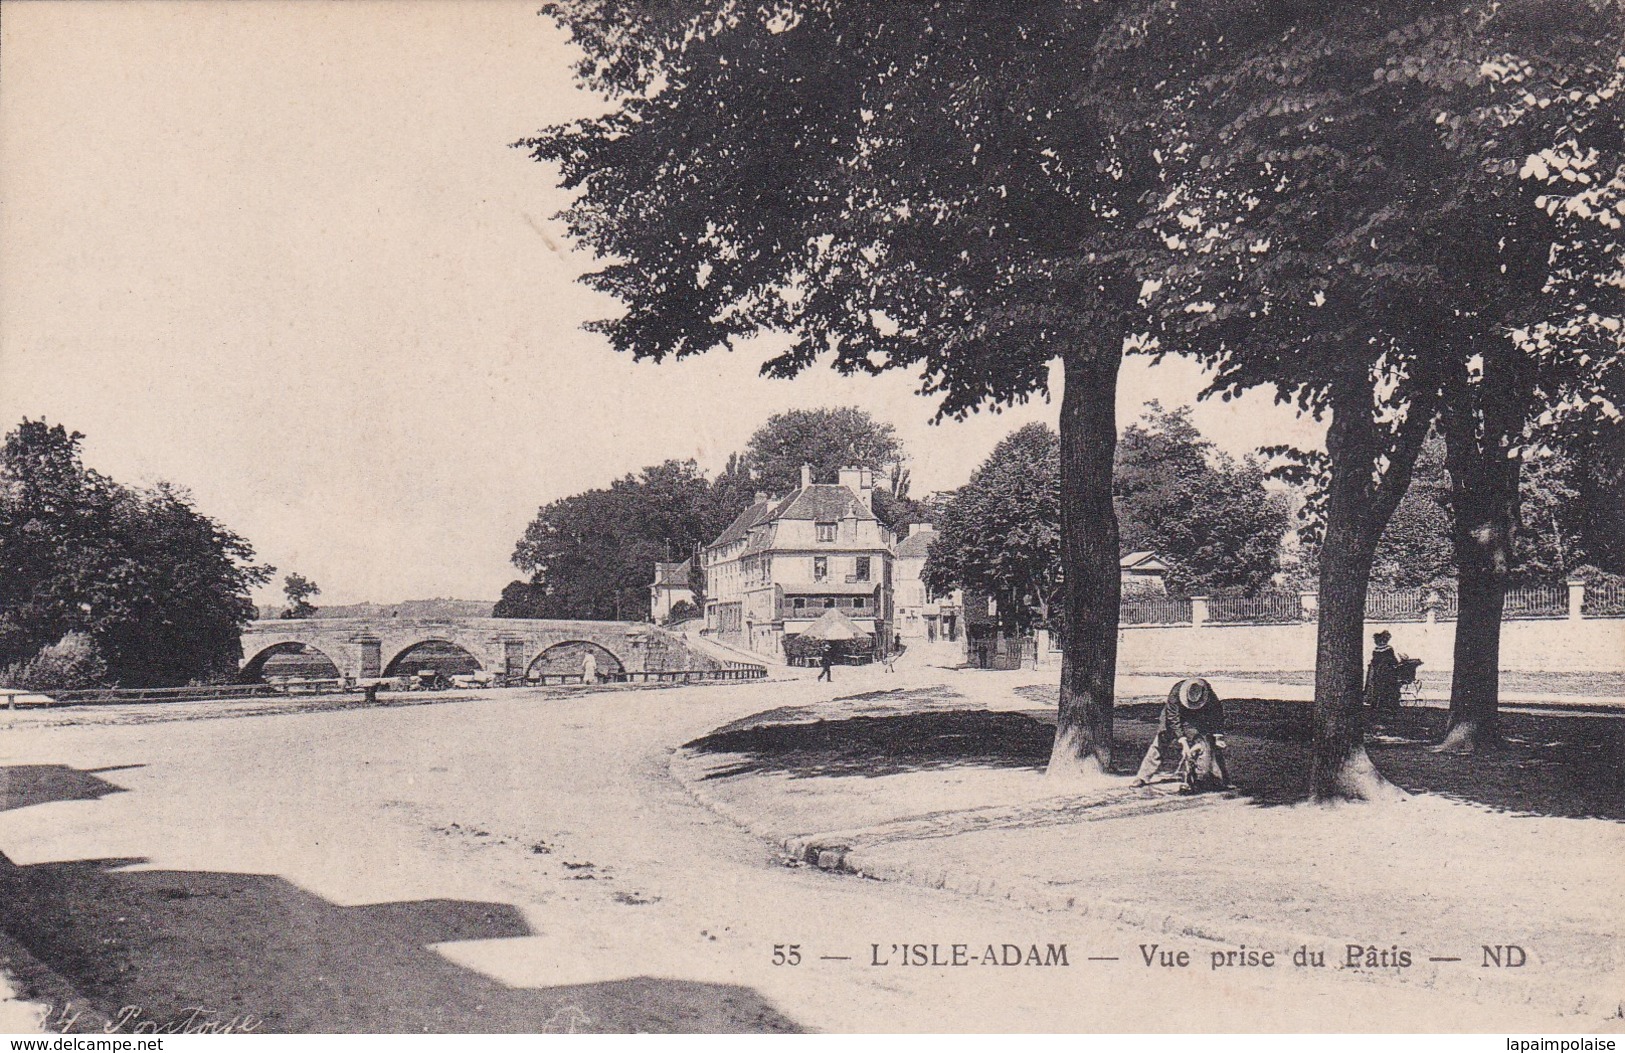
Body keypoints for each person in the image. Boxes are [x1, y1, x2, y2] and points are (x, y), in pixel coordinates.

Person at [1131, 677, 1229, 793]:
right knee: (1160, 742)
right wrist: (1183, 742)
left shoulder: (1208, 693)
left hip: (1196, 717)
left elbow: (1216, 713)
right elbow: (1173, 718)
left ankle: (1218, 779)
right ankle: (1143, 777)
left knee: (1208, 744)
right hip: (1173, 717)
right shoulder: (1175, 693)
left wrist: (1218, 736)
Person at [1364, 630, 1402, 722]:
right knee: (1393, 687)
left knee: (1378, 689)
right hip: (1387, 673)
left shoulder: (1376, 650)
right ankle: (1390, 706)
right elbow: (1393, 661)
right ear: (1386, 639)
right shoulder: (1388, 649)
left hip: (1378, 673)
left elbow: (1374, 661)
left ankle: (1377, 706)